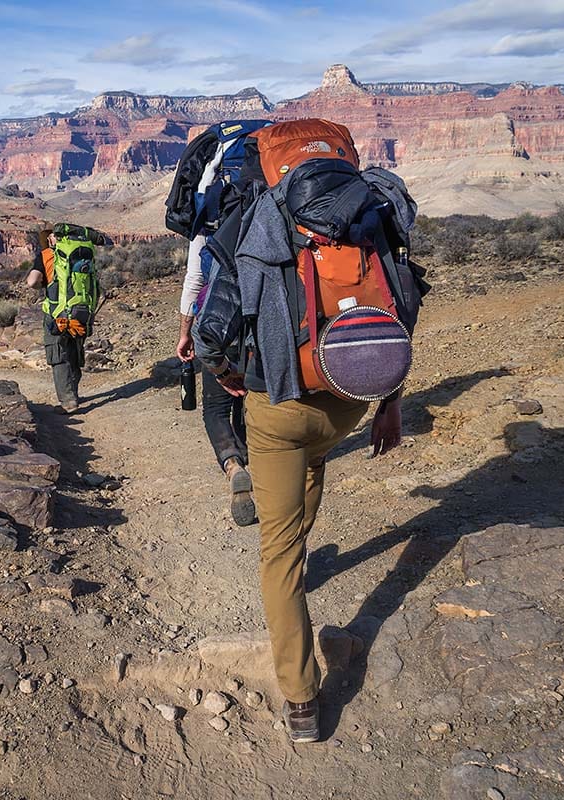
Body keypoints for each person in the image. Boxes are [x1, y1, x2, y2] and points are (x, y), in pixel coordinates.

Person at [193, 176, 408, 746]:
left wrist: (230, 378)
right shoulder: (365, 219)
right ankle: (302, 526)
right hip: (347, 406)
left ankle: (303, 699)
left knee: (279, 552)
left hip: (278, 408)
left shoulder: (258, 222)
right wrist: (390, 404)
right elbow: (400, 312)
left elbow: (210, 334)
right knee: (313, 462)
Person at [177, 240, 255, 526]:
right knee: (252, 401)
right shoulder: (265, 214)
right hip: (257, 332)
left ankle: (233, 465)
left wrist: (185, 332)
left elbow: (194, 281)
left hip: (218, 328)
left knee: (216, 409)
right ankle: (260, 464)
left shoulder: (208, 232)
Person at [26, 224, 108, 412]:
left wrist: (43, 286)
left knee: (58, 354)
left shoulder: (48, 255)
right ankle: (73, 393)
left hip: (57, 314)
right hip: (81, 311)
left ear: (49, 239)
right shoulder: (82, 252)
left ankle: (68, 402)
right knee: (74, 352)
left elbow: (32, 281)